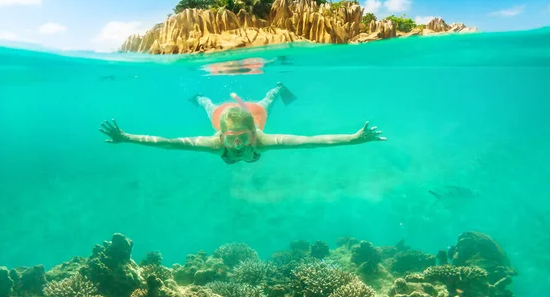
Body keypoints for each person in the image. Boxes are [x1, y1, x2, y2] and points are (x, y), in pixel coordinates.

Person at [99, 82, 386, 165]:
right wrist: (125, 137)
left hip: (253, 113)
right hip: (222, 113)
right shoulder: (216, 140)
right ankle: (199, 96)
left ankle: (276, 88)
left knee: (267, 102)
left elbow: (312, 141)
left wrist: (354, 138)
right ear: (221, 136)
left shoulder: (262, 137)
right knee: (209, 107)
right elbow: (169, 144)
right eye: (231, 139)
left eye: (243, 140)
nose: (236, 146)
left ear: (253, 135)